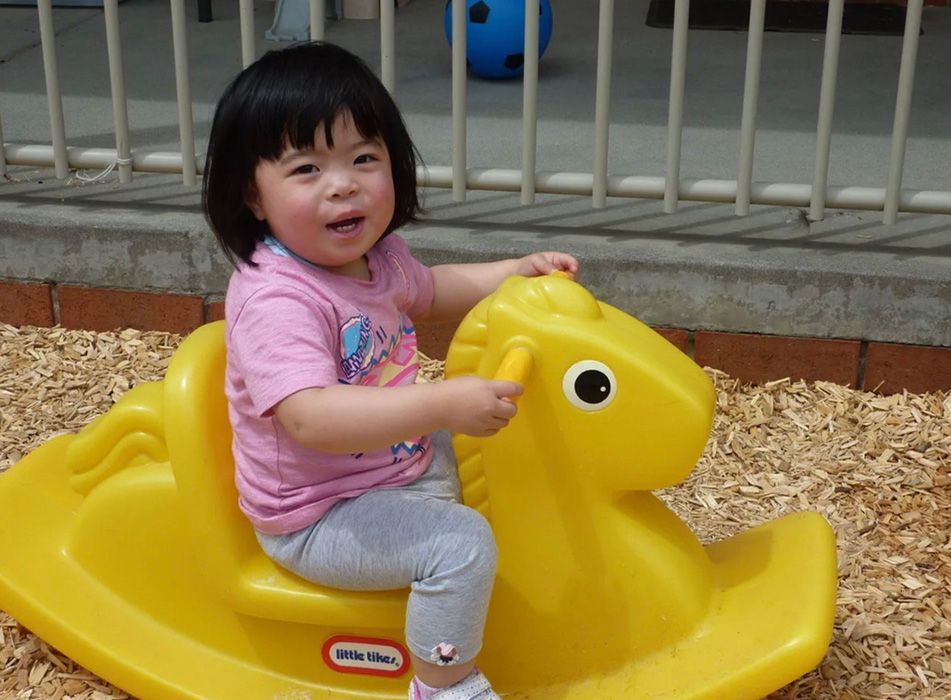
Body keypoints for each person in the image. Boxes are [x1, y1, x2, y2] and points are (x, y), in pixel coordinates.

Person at [202, 41, 578, 700]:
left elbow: (434, 287)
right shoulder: (278, 298)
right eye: (306, 168)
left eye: (363, 158)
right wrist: (439, 404)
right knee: (459, 544)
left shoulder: (377, 260)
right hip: (318, 513)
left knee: (512, 463)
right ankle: (444, 682)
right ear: (251, 197)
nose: (342, 183)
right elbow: (309, 417)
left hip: (393, 462)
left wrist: (511, 273)